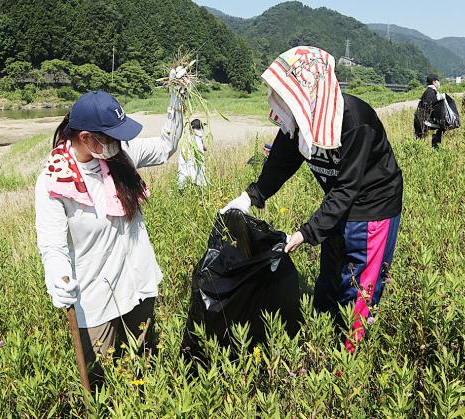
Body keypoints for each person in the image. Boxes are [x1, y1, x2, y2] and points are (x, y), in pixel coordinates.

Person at [221, 46, 403, 352]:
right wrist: (250, 196)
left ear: (308, 93)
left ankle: (347, 365)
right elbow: (280, 161)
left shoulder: (353, 121)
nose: (277, 102)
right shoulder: (300, 120)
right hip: (339, 202)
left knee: (358, 288)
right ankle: (321, 341)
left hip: (372, 207)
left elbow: (347, 189)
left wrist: (307, 232)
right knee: (330, 277)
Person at [35, 70, 186, 389]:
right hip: (95, 297)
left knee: (145, 365)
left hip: (138, 283)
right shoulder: (54, 181)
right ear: (87, 138)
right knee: (103, 381)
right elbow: (53, 246)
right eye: (111, 136)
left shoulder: (120, 155)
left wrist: (178, 97)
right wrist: (59, 277)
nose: (119, 142)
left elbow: (165, 146)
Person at [414, 74, 447, 148]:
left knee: (419, 139)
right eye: (438, 81)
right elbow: (428, 104)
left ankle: (434, 147)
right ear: (434, 82)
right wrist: (438, 99)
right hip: (423, 120)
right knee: (420, 139)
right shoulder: (430, 91)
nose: (439, 83)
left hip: (421, 119)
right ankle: (435, 148)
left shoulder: (430, 91)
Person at [178, 117, 207, 187]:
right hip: (191, 170)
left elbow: (204, 148)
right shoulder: (194, 140)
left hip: (185, 170)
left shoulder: (188, 139)